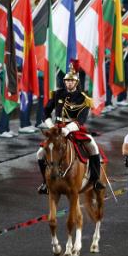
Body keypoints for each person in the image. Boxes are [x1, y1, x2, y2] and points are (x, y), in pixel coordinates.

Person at [36, 63, 104, 195]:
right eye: (67, 80)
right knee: (39, 153)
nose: (69, 83)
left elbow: (81, 120)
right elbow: (45, 112)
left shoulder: (83, 98)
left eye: (72, 81)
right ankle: (45, 182)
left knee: (93, 147)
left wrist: (68, 129)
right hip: (56, 129)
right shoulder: (57, 94)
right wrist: (51, 126)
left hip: (74, 129)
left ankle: (95, 180)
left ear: (77, 81)